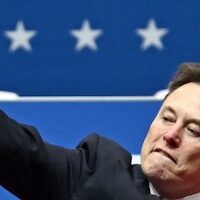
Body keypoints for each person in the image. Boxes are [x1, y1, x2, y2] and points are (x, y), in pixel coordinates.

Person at [1, 62, 200, 200]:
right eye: (167, 118)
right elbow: (14, 147)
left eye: (193, 130)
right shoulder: (96, 174)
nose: (170, 135)